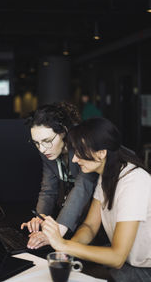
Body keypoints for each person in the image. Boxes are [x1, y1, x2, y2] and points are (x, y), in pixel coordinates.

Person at [41, 117, 151, 282]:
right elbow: (90, 226)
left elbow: (117, 257)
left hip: (143, 270)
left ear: (101, 153)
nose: (74, 160)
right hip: (125, 263)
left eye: (79, 153)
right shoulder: (107, 176)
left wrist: (63, 245)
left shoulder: (134, 181)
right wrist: (66, 253)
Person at [21, 102, 98, 249]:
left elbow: (82, 188)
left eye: (47, 141)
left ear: (64, 131)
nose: (42, 149)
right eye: (36, 143)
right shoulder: (48, 150)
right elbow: (48, 189)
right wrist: (39, 219)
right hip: (85, 218)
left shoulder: (84, 145)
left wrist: (57, 232)